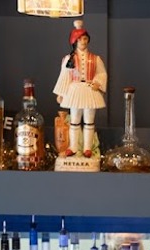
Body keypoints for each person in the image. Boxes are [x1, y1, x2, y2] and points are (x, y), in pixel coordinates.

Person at [52, 20, 107, 158]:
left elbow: (102, 73)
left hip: (89, 90)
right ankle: (73, 147)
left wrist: (98, 83)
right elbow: (64, 76)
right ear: (75, 40)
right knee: (74, 119)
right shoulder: (69, 59)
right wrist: (61, 93)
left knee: (89, 120)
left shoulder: (95, 59)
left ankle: (88, 147)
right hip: (74, 90)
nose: (83, 41)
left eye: (85, 38)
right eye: (80, 39)